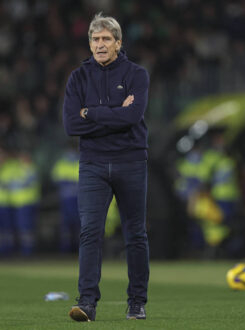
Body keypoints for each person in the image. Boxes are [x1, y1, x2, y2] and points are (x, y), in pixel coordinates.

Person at [63, 13, 150, 322]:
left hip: (131, 161)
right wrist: (112, 113)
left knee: (135, 234)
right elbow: (71, 124)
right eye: (95, 40)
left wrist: (91, 113)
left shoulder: (137, 74)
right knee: (89, 232)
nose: (100, 45)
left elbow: (132, 117)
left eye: (106, 39)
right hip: (93, 165)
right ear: (89, 43)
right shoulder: (78, 77)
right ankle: (87, 303)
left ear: (118, 43)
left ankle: (137, 302)